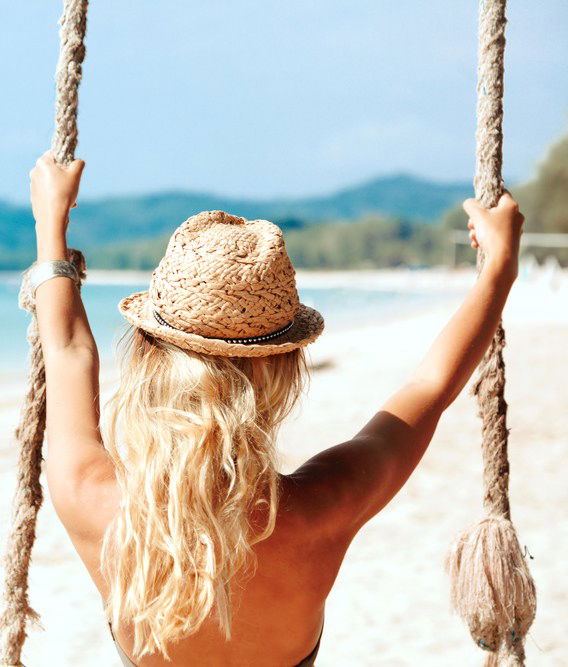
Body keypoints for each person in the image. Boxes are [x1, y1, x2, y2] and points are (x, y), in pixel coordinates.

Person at [27, 150, 524, 666]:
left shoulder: (93, 499)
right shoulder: (325, 505)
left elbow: (67, 352)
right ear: (285, 366)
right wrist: (499, 271)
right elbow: (430, 387)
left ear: (149, 351)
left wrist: (50, 223)